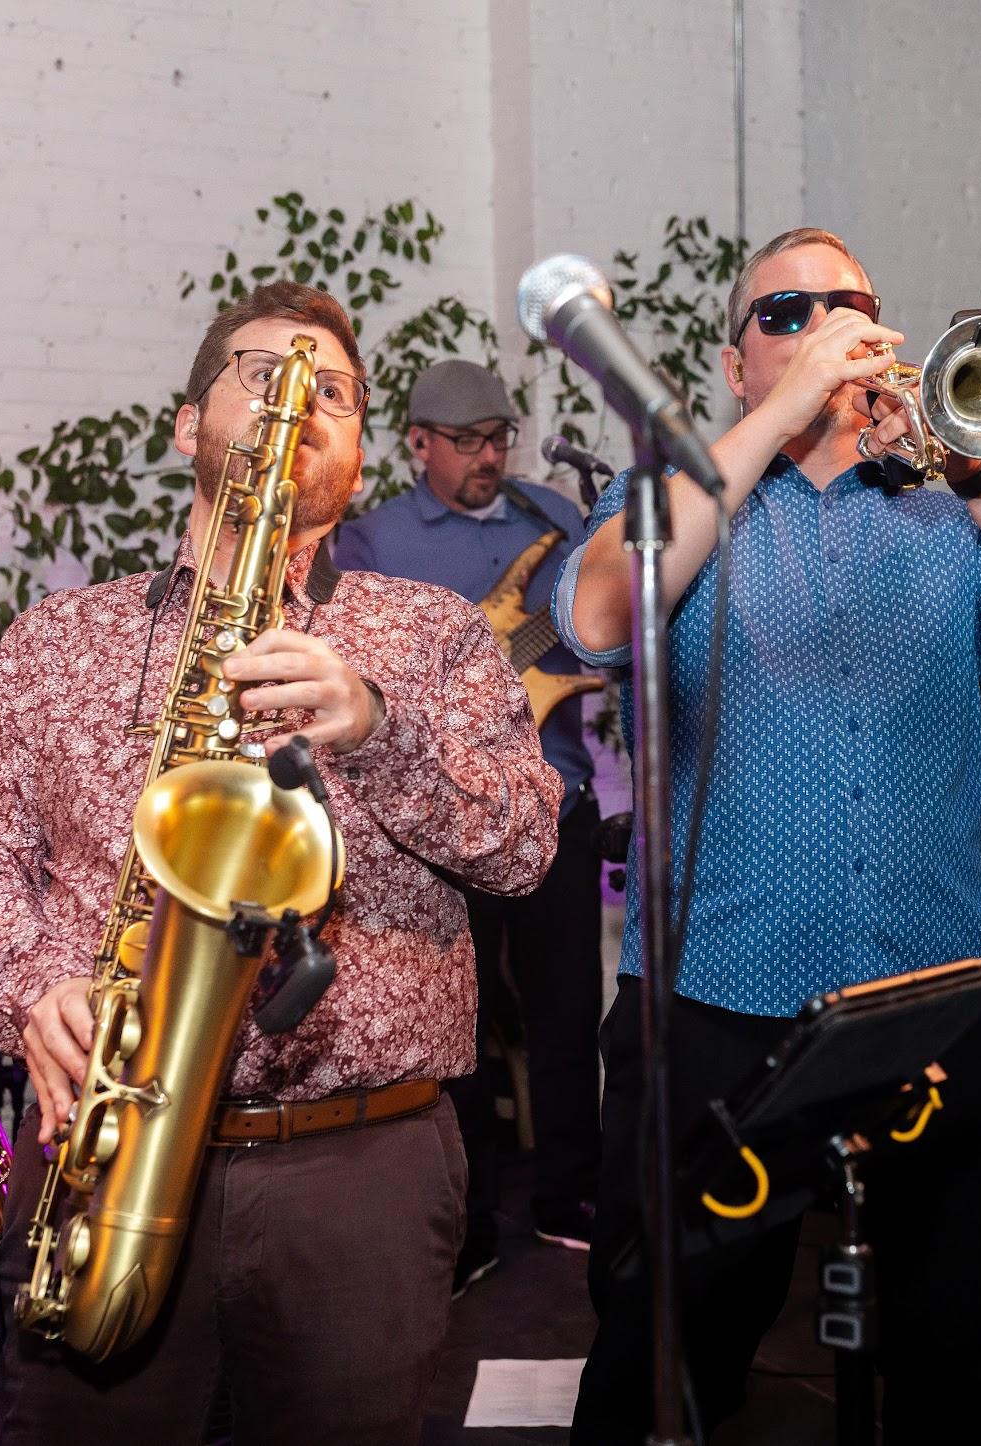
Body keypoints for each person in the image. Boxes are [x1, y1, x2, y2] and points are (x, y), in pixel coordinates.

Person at [0, 282, 562, 1446]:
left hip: (360, 1170)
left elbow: (524, 850)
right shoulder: (58, 641)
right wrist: (33, 992)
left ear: (358, 460)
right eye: (264, 375)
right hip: (103, 1151)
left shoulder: (434, 634)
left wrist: (379, 727)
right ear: (187, 425)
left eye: (335, 393)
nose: (298, 401)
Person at [554, 226, 981, 1443]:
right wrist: (785, 416)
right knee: (666, 1358)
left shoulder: (946, 521)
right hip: (714, 1008)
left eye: (849, 308)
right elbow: (600, 617)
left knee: (955, 1358)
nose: (824, 329)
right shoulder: (668, 501)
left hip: (937, 1006)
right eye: (788, 314)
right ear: (735, 366)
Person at [332, 358, 603, 1293]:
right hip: (442, 826)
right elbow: (354, 674)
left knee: (570, 1012)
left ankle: (571, 1195)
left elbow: (605, 630)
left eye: (499, 438)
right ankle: (470, 1218)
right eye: (466, 441)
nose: (489, 457)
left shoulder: (555, 517)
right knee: (461, 1024)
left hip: (556, 801)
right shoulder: (374, 541)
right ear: (418, 443)